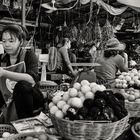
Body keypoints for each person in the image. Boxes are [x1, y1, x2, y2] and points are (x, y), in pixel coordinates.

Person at [0, 24, 44, 122]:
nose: (6, 44)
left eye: (11, 41)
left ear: (20, 42)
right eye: (4, 41)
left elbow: (31, 79)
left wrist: (4, 73)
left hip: (31, 100)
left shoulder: (29, 55)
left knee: (22, 85)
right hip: (9, 98)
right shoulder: (2, 59)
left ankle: (24, 123)